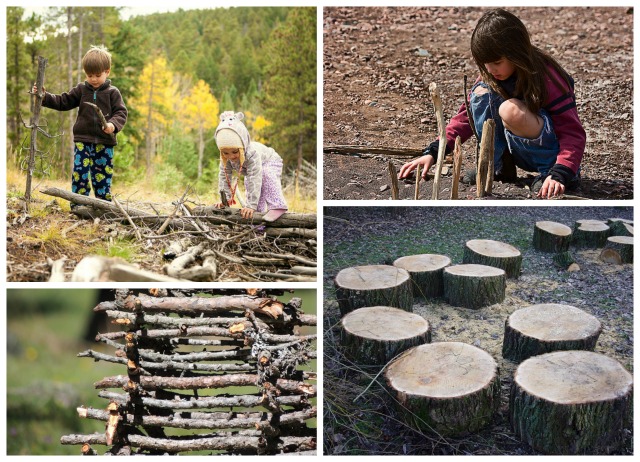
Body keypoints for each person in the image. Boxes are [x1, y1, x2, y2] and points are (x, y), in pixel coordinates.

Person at [398, 9, 585, 199]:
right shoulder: (490, 76)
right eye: (485, 63)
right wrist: (434, 151)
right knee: (481, 94)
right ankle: (498, 167)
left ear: (516, 53)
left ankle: (550, 175)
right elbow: (464, 118)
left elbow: (572, 132)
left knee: (511, 110)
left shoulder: (548, 78)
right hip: (516, 149)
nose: (490, 69)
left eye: (497, 62)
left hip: (551, 155)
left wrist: (562, 171)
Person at [34, 45, 127, 205]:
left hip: (104, 143)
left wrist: (112, 125)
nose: (94, 79)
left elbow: (121, 113)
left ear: (107, 72)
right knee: (80, 173)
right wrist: (44, 97)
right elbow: (63, 101)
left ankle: (103, 205)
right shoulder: (81, 90)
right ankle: (78, 205)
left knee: (102, 176)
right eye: (90, 75)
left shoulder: (113, 93)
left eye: (98, 75)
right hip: (83, 141)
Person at [214, 111, 288, 221]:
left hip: (270, 161)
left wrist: (250, 205)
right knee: (249, 184)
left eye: (235, 152)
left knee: (264, 175)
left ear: (242, 146)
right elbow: (224, 177)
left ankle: (278, 206)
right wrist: (225, 200)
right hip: (253, 171)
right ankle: (257, 217)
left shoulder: (252, 154)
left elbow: (255, 177)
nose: (231, 156)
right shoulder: (226, 159)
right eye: (226, 153)